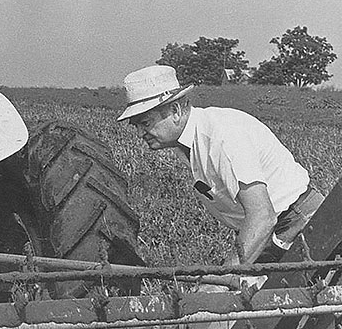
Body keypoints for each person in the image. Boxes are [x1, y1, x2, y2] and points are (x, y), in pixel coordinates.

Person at [117, 65, 324, 286]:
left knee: (217, 301)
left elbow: (262, 216)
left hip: (300, 224)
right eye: (136, 125)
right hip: (272, 231)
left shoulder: (221, 136)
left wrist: (223, 278)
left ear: (176, 110)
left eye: (146, 123)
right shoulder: (189, 143)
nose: (140, 133)